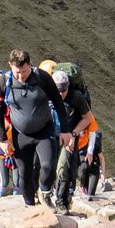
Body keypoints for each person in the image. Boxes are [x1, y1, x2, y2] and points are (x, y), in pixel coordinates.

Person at [0, 49, 67, 206]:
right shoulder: (4, 82)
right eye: (17, 72)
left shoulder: (42, 77)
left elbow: (59, 103)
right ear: (10, 66)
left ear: (30, 64)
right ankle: (29, 205)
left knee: (47, 166)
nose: (20, 76)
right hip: (20, 135)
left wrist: (65, 130)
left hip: (44, 130)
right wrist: (3, 139)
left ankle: (45, 192)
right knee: (24, 174)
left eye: (24, 71)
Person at [48, 67, 96, 212]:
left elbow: (88, 118)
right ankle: (44, 196)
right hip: (50, 136)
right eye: (58, 91)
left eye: (64, 90)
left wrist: (74, 134)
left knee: (64, 170)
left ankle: (61, 202)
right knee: (48, 167)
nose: (61, 94)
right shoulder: (47, 95)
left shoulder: (76, 97)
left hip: (69, 138)